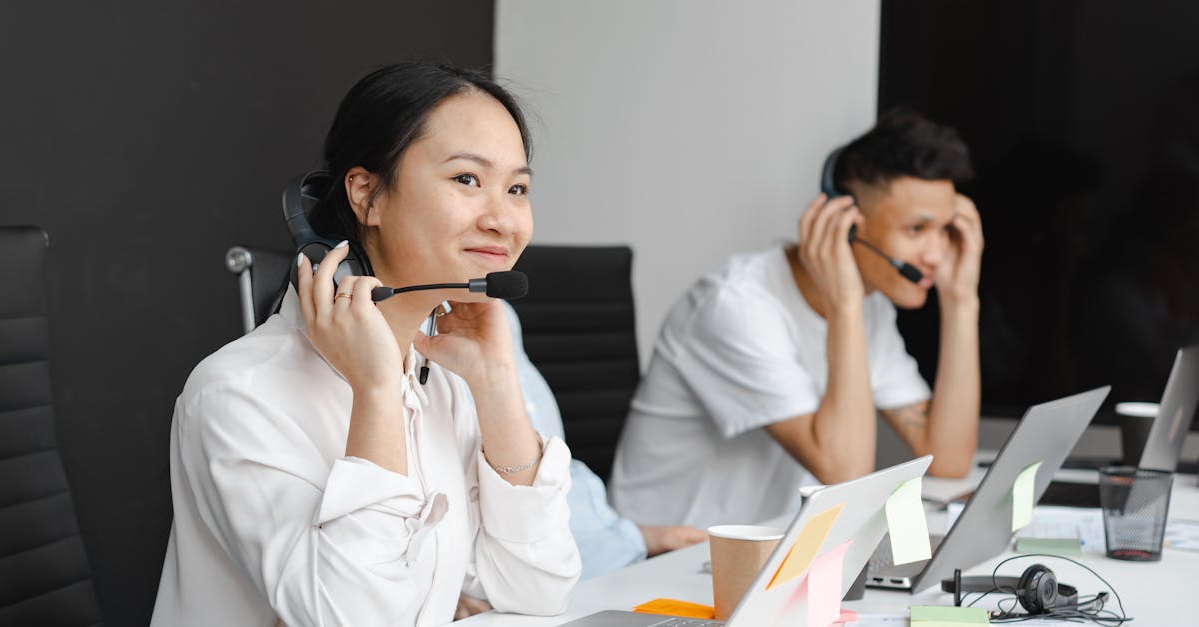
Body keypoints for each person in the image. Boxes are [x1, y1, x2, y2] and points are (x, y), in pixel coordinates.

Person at [151, 63, 580, 627]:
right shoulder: (238, 395)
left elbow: (537, 588)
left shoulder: (443, 381)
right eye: (467, 180)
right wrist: (375, 392)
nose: (503, 220)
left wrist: (497, 384)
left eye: (517, 188)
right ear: (367, 195)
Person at [610, 110, 983, 529]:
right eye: (916, 230)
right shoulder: (737, 306)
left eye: (945, 230)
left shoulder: (871, 308)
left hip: (767, 558)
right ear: (846, 225)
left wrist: (961, 300)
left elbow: (948, 459)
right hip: (665, 565)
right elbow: (846, 472)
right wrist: (844, 305)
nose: (936, 254)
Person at [501, 303, 706, 580]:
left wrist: (635, 537)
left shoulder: (500, 314)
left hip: (603, 560)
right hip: (529, 584)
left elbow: (548, 479)